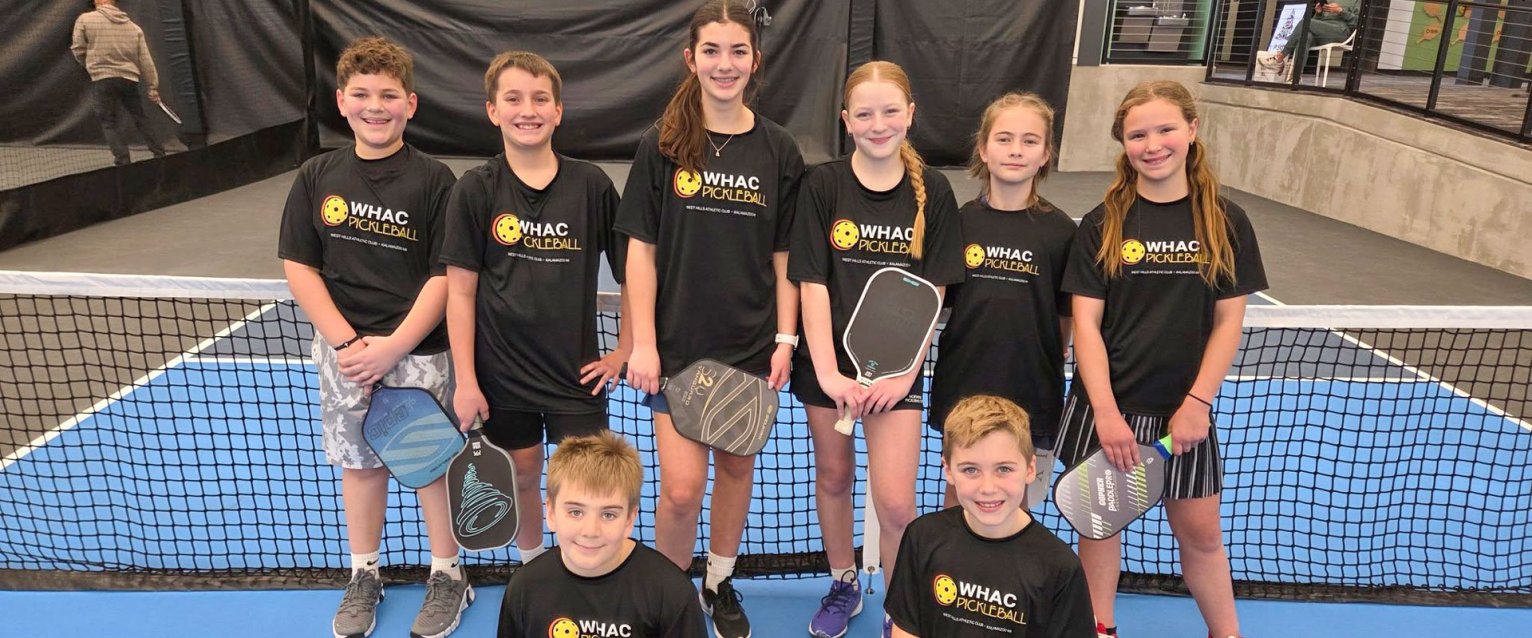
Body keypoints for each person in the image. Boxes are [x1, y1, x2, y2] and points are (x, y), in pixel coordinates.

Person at [615, 2, 805, 637]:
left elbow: (785, 256)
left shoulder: (779, 149)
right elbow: (639, 250)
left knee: (736, 470)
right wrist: (641, 342)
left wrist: (785, 337)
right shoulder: (661, 145)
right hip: (676, 348)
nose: (726, 64)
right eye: (713, 51)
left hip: (750, 344)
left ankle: (719, 579)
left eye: (738, 51)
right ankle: (670, 593)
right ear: (691, 59)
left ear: (755, 60)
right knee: (679, 490)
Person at [1059, 80, 1267, 638]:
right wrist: (1104, 412)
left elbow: (1228, 321)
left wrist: (1198, 403)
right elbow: (1086, 326)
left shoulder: (1226, 221)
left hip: (1184, 415)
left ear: (1192, 131)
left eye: (1166, 129)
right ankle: (1099, 629)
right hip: (1104, 408)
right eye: (1137, 134)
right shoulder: (1102, 223)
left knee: (1201, 534)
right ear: (1123, 143)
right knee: (1099, 529)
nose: (1153, 144)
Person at [277, 36, 468, 638]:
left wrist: (394, 346)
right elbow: (299, 267)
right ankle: (365, 574)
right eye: (361, 94)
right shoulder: (317, 175)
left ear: (410, 103)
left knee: (430, 463)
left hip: (420, 353)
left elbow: (445, 274)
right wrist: (345, 344)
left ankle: (448, 574)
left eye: (389, 95)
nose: (375, 105)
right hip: (344, 355)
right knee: (360, 466)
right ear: (341, 101)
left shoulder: (438, 181)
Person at [788, 60, 965, 638]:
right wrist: (829, 373)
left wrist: (904, 376)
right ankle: (844, 583)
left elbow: (933, 293)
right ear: (846, 120)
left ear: (911, 115)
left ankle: (902, 606)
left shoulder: (933, 192)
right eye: (864, 113)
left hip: (899, 376)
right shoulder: (823, 185)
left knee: (894, 503)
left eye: (891, 111)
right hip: (827, 372)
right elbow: (811, 282)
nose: (878, 123)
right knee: (834, 477)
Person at [440, 50, 630, 568]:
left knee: (585, 485)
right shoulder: (475, 190)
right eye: (514, 99)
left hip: (577, 377)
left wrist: (625, 349)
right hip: (502, 376)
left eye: (540, 98)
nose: (529, 109)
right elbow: (459, 292)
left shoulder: (591, 186)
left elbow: (634, 272)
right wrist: (465, 380)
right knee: (522, 476)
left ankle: (586, 570)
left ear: (559, 111)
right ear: (493, 110)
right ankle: (533, 569)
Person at [929, 92, 1074, 512]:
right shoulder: (958, 223)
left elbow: (1065, 318)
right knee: (960, 500)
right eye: (1004, 138)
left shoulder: (1062, 232)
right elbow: (939, 303)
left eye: (1030, 141)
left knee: (1016, 505)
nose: (1015, 150)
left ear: (1046, 153)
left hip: (1031, 389)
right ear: (982, 148)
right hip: (963, 386)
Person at [886, 395, 1096, 638]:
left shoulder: (1059, 566)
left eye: (1003, 469)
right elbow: (906, 629)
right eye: (970, 469)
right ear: (948, 470)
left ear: (1030, 469)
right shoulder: (922, 537)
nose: (987, 488)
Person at [497, 431, 707, 638]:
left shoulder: (671, 594)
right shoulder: (525, 589)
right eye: (576, 512)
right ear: (550, 512)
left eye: (608, 514)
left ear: (629, 519)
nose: (590, 531)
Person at [71, 0, 168, 166]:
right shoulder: (133, 27)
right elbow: (145, 60)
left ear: (96, 2)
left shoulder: (85, 19)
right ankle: (160, 154)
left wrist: (89, 64)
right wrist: (152, 86)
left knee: (109, 121)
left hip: (103, 79)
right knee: (140, 117)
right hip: (129, 80)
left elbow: (78, 48)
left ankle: (123, 162)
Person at [1274, 1, 1360, 77]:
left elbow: (1357, 22)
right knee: (1305, 37)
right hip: (1322, 30)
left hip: (1340, 31)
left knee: (1305, 22)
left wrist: (1340, 11)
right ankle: (1295, 77)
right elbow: (1315, 22)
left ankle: (1281, 57)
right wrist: (1318, 13)